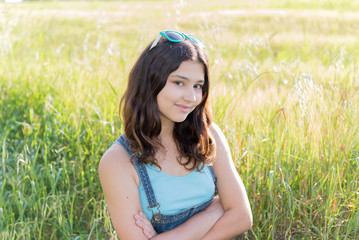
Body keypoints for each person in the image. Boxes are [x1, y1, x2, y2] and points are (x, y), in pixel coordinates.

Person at [99, 31, 252, 239]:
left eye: (198, 86)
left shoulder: (207, 137)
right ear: (150, 82)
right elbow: (232, 212)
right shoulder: (118, 162)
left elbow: (242, 218)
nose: (191, 97)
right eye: (179, 82)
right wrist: (214, 211)